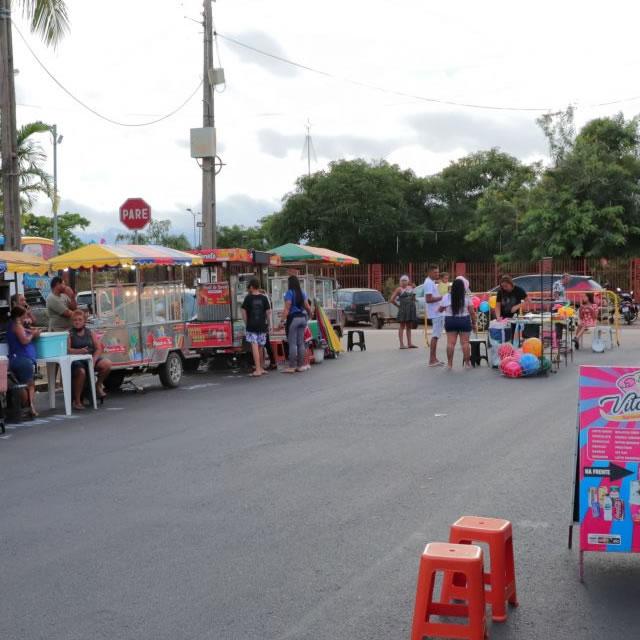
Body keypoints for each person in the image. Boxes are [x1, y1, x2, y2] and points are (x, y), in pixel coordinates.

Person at [67, 310, 112, 409]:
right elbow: (67, 350)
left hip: (90, 358)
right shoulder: (69, 334)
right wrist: (79, 351)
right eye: (75, 320)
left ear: (84, 321)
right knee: (81, 372)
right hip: (76, 361)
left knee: (107, 364)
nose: (77, 322)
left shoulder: (89, 332)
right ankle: (77, 400)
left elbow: (98, 348)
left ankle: (97, 385)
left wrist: (94, 360)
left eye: (80, 320)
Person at [7, 306, 41, 417]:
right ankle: (30, 406)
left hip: (20, 359)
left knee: (24, 384)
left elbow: (27, 331)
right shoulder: (17, 326)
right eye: (25, 315)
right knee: (29, 384)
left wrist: (32, 331)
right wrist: (32, 335)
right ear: (19, 317)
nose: (26, 317)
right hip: (22, 359)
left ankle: (27, 406)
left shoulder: (16, 325)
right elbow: (24, 340)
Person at [440, 276, 476, 369]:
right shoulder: (467, 297)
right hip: (464, 320)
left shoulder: (447, 297)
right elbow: (472, 312)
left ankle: (449, 364)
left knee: (450, 343)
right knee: (465, 343)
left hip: (450, 320)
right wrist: (474, 323)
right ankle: (467, 363)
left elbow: (440, 309)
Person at [280, 275, 312, 373]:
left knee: (292, 343)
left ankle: (292, 366)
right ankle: (300, 365)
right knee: (301, 343)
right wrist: (310, 314)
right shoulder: (303, 293)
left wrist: (282, 321)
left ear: (290, 283)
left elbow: (287, 308)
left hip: (293, 319)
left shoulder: (289, 293)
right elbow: (307, 306)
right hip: (302, 318)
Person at [241, 278, 272, 377]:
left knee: (254, 346)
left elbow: (243, 311)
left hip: (252, 325)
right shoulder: (264, 298)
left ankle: (257, 369)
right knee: (261, 346)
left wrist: (246, 322)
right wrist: (270, 324)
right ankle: (262, 368)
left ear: (251, 287)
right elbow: (268, 312)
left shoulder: (248, 298)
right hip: (262, 325)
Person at [423, 264, 444, 366]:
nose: (437, 274)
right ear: (429, 272)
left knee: (436, 335)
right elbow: (428, 299)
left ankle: (434, 358)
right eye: (435, 272)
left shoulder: (431, 282)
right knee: (435, 336)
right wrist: (441, 298)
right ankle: (432, 360)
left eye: (438, 272)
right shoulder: (428, 283)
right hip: (436, 313)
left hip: (437, 312)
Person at [390, 275, 418, 349]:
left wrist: (414, 289)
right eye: (402, 280)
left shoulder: (410, 288)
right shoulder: (399, 289)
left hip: (410, 309)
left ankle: (409, 343)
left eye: (405, 280)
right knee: (402, 326)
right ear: (400, 281)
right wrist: (398, 306)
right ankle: (401, 344)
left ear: (408, 281)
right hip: (403, 309)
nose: (404, 282)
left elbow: (414, 298)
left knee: (409, 326)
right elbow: (392, 299)